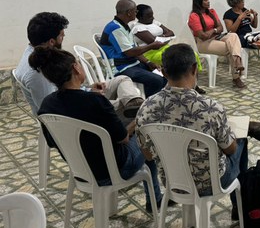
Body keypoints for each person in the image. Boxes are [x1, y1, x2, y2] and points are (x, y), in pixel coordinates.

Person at [137, 44, 260, 218]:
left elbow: (147, 155)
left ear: (163, 72)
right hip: (211, 183)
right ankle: (239, 208)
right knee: (240, 141)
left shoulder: (146, 108)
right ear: (194, 68)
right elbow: (230, 150)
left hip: (172, 182)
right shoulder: (210, 108)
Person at [31, 46, 166, 213]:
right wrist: (139, 121)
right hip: (115, 170)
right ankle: (155, 200)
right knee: (145, 133)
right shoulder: (94, 101)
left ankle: (154, 199)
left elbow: (52, 142)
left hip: (82, 171)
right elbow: (123, 138)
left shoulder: (47, 104)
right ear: (75, 68)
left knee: (130, 126)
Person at [15, 12, 144, 118]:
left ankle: (133, 103)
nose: (63, 39)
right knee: (131, 105)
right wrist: (88, 97)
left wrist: (87, 89)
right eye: (61, 36)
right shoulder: (38, 70)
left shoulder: (36, 55)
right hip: (77, 112)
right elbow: (53, 110)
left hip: (78, 96)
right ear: (51, 41)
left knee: (122, 80)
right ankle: (135, 108)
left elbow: (63, 91)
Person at [99, 0, 168, 97]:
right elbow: (130, 52)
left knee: (164, 77)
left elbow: (135, 49)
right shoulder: (115, 28)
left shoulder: (124, 26)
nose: (136, 13)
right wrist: (152, 46)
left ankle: (155, 102)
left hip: (133, 63)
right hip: (121, 68)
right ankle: (143, 104)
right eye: (135, 11)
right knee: (157, 81)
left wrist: (148, 62)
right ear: (128, 13)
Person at [188, 0, 246, 88]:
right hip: (204, 44)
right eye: (205, 0)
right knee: (232, 47)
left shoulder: (211, 12)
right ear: (199, 2)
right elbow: (202, 36)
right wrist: (214, 30)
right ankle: (236, 76)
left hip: (216, 38)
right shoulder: (194, 16)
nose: (208, 1)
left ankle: (237, 62)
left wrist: (212, 31)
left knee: (233, 35)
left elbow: (221, 28)